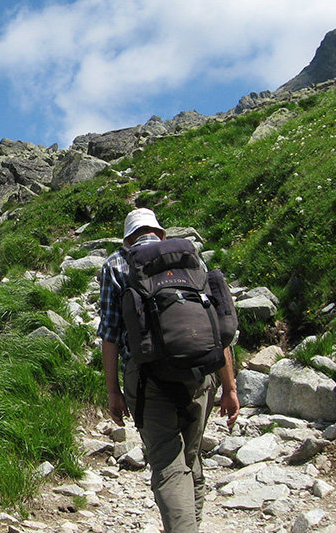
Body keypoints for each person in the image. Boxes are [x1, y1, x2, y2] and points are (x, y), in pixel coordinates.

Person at [98, 208, 240, 533]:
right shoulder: (191, 259)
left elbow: (109, 334)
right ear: (161, 234)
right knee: (191, 460)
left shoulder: (117, 264)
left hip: (147, 378)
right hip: (201, 372)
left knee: (167, 463)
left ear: (127, 239)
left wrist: (113, 392)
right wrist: (230, 389)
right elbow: (218, 329)